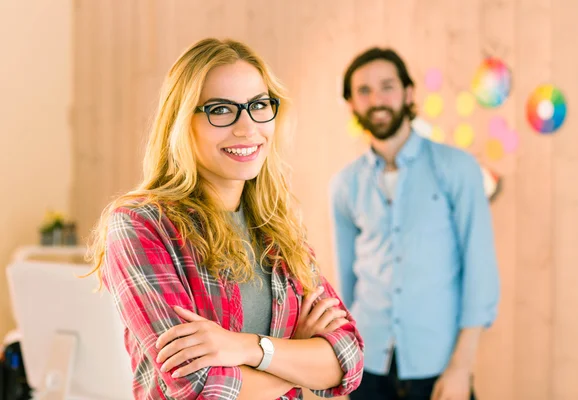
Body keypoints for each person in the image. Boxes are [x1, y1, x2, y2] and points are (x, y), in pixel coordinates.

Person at [88, 38, 364, 400]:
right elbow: (196, 388)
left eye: (258, 105)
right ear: (183, 121)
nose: (247, 128)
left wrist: (249, 348)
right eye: (220, 110)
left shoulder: (278, 228)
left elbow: (348, 359)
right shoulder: (140, 227)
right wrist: (293, 353)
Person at [330, 47, 500, 400]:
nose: (377, 99)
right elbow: (346, 284)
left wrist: (461, 368)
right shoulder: (344, 184)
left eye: (387, 86)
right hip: (367, 365)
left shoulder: (457, 168)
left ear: (409, 93)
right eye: (363, 91)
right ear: (351, 105)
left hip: (437, 367)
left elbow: (480, 273)